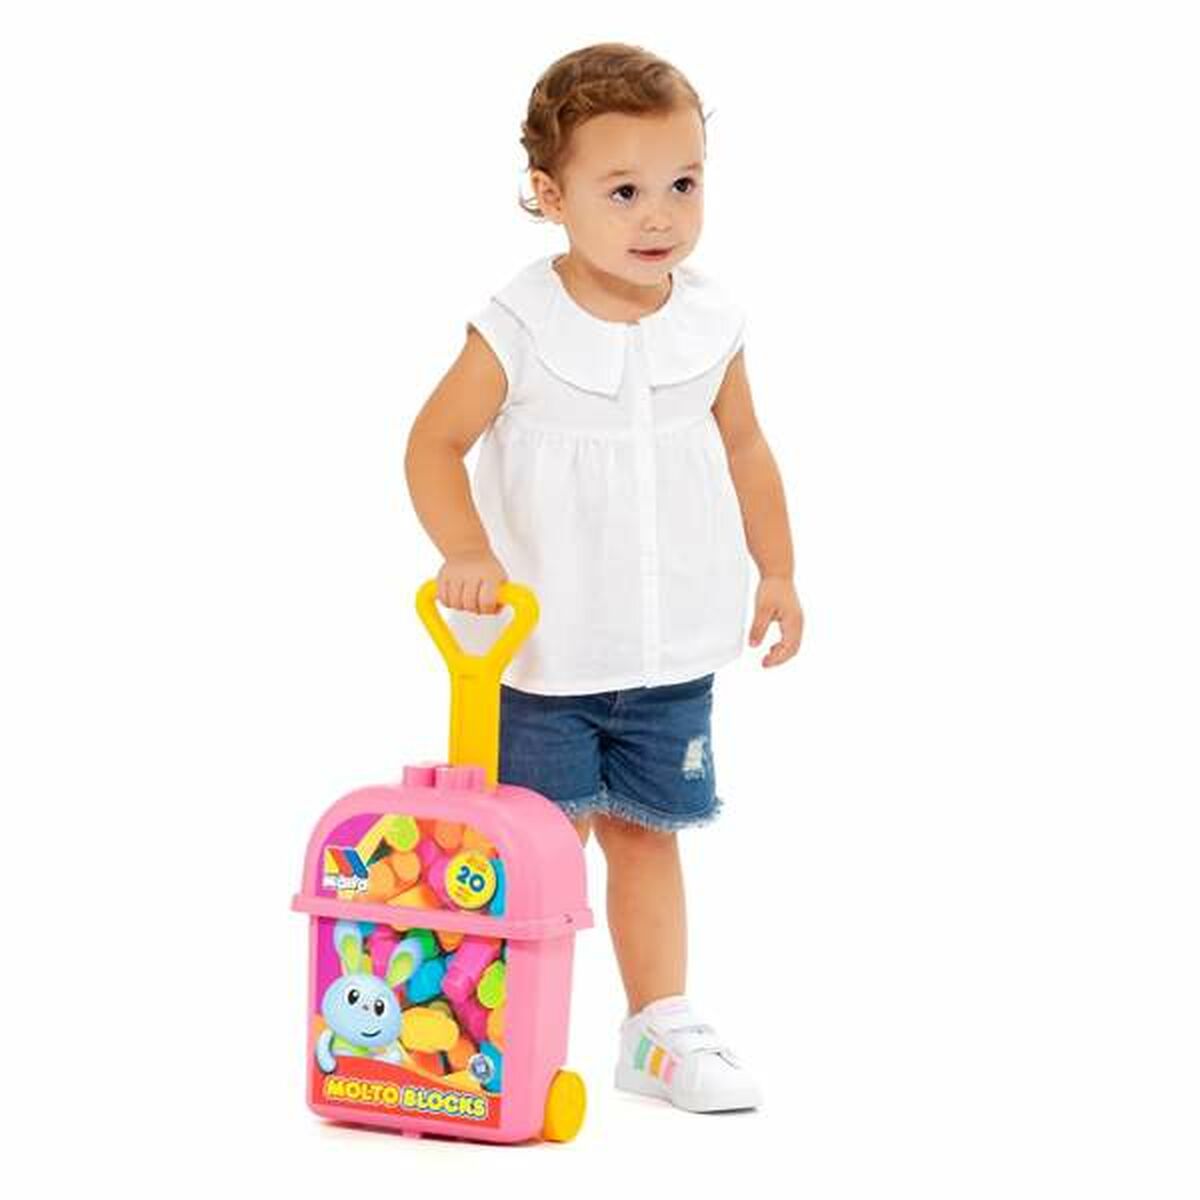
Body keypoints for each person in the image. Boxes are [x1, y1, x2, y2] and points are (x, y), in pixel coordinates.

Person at [404, 42, 803, 1114]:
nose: (659, 215)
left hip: (667, 655)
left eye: (684, 183)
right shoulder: (521, 325)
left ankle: (658, 1028)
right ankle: (495, 1027)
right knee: (534, 850)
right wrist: (466, 550)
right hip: (545, 660)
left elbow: (747, 447)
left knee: (649, 835)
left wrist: (777, 569)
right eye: (623, 191)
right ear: (551, 196)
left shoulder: (711, 321)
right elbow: (433, 444)